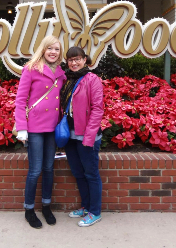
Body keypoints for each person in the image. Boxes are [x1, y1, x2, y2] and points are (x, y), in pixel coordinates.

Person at [15, 35, 66, 229]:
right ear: (43, 49)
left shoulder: (61, 73)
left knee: (49, 169)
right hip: (35, 127)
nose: (53, 52)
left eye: (57, 49)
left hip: (52, 127)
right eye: (50, 48)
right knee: (35, 170)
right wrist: (21, 127)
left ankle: (46, 206)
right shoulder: (30, 69)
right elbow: (20, 101)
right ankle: (29, 210)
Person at [60, 46, 104, 227]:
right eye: (71, 60)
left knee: (91, 174)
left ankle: (95, 212)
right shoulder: (67, 80)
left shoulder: (92, 79)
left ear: (85, 60)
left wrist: (89, 137)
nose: (74, 62)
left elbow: (97, 109)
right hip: (70, 135)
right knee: (78, 173)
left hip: (87, 136)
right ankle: (86, 207)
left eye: (77, 59)